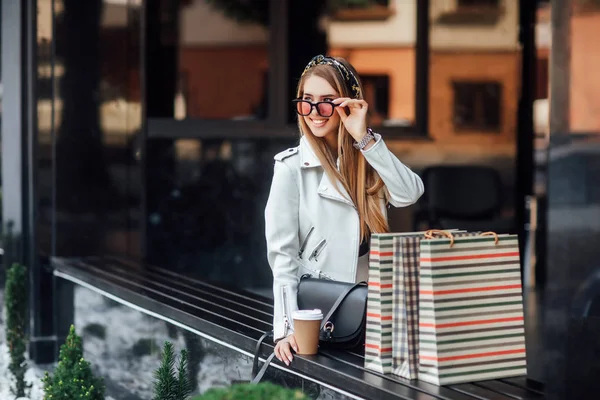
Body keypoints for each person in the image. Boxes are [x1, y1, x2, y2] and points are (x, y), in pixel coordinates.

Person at [264, 55, 424, 366]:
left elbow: (409, 193)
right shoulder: (290, 167)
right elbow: (282, 255)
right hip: (322, 317)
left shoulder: (368, 158)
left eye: (326, 102)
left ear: (348, 104)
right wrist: (285, 328)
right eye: (306, 101)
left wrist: (364, 139)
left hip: (376, 316)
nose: (314, 112)